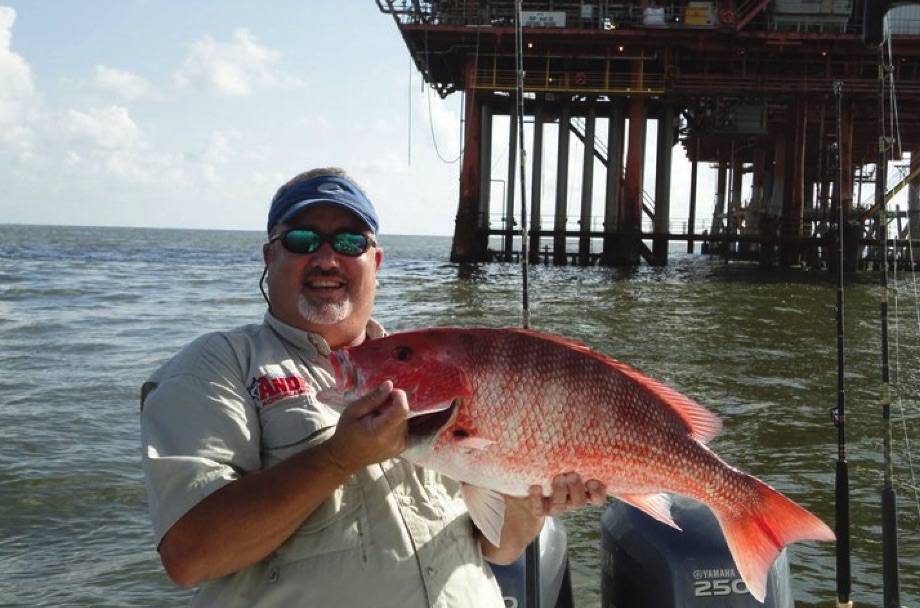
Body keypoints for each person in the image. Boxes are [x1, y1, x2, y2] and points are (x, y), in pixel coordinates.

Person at [140, 167, 606, 607]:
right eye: (302, 240)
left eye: (350, 242)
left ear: (375, 260)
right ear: (270, 256)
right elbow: (189, 555)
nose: (327, 259)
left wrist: (529, 503)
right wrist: (337, 458)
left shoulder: (428, 367)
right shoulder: (218, 365)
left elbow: (498, 549)